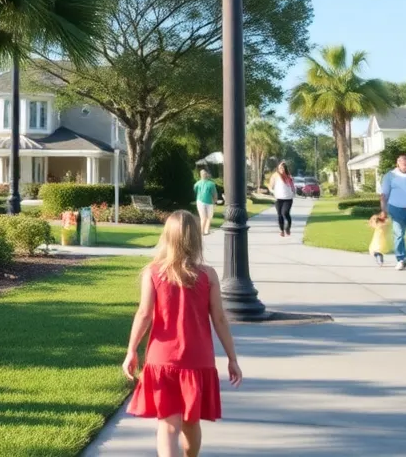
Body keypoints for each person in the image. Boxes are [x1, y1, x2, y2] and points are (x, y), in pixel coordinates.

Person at [123, 210, 242, 457]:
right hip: (197, 359)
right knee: (191, 423)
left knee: (167, 425)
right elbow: (219, 318)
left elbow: (144, 313)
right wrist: (232, 358)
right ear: (195, 239)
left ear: (167, 237)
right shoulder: (207, 275)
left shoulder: (153, 273)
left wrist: (131, 350)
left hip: (162, 358)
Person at [268, 161, 296, 237]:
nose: (282, 170)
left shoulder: (289, 176)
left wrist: (293, 192)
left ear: (285, 168)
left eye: (283, 168)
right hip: (278, 198)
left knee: (285, 213)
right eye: (280, 168)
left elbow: (292, 186)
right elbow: (270, 186)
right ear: (278, 168)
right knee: (279, 214)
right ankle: (281, 230)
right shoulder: (275, 176)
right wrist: (273, 191)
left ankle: (288, 227)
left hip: (288, 198)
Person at [193, 170, 217, 236]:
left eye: (205, 174)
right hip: (207, 202)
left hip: (202, 202)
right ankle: (203, 231)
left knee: (206, 217)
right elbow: (215, 194)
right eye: (204, 174)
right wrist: (215, 202)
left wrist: (215, 202)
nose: (204, 175)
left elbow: (194, 191)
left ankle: (205, 231)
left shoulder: (197, 183)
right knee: (207, 217)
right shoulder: (211, 184)